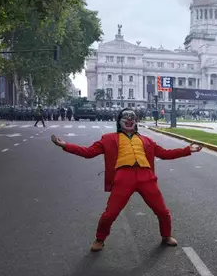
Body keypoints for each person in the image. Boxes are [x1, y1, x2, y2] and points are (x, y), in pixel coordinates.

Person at [50, 108, 202, 252]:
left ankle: (166, 235)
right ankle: (100, 239)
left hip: (146, 177)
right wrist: (66, 145)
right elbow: (89, 152)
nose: (129, 120)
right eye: (126, 117)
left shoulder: (147, 140)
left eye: (133, 118)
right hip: (123, 177)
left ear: (136, 122)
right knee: (110, 213)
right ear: (119, 121)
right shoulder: (108, 139)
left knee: (162, 211)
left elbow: (164, 153)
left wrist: (187, 150)